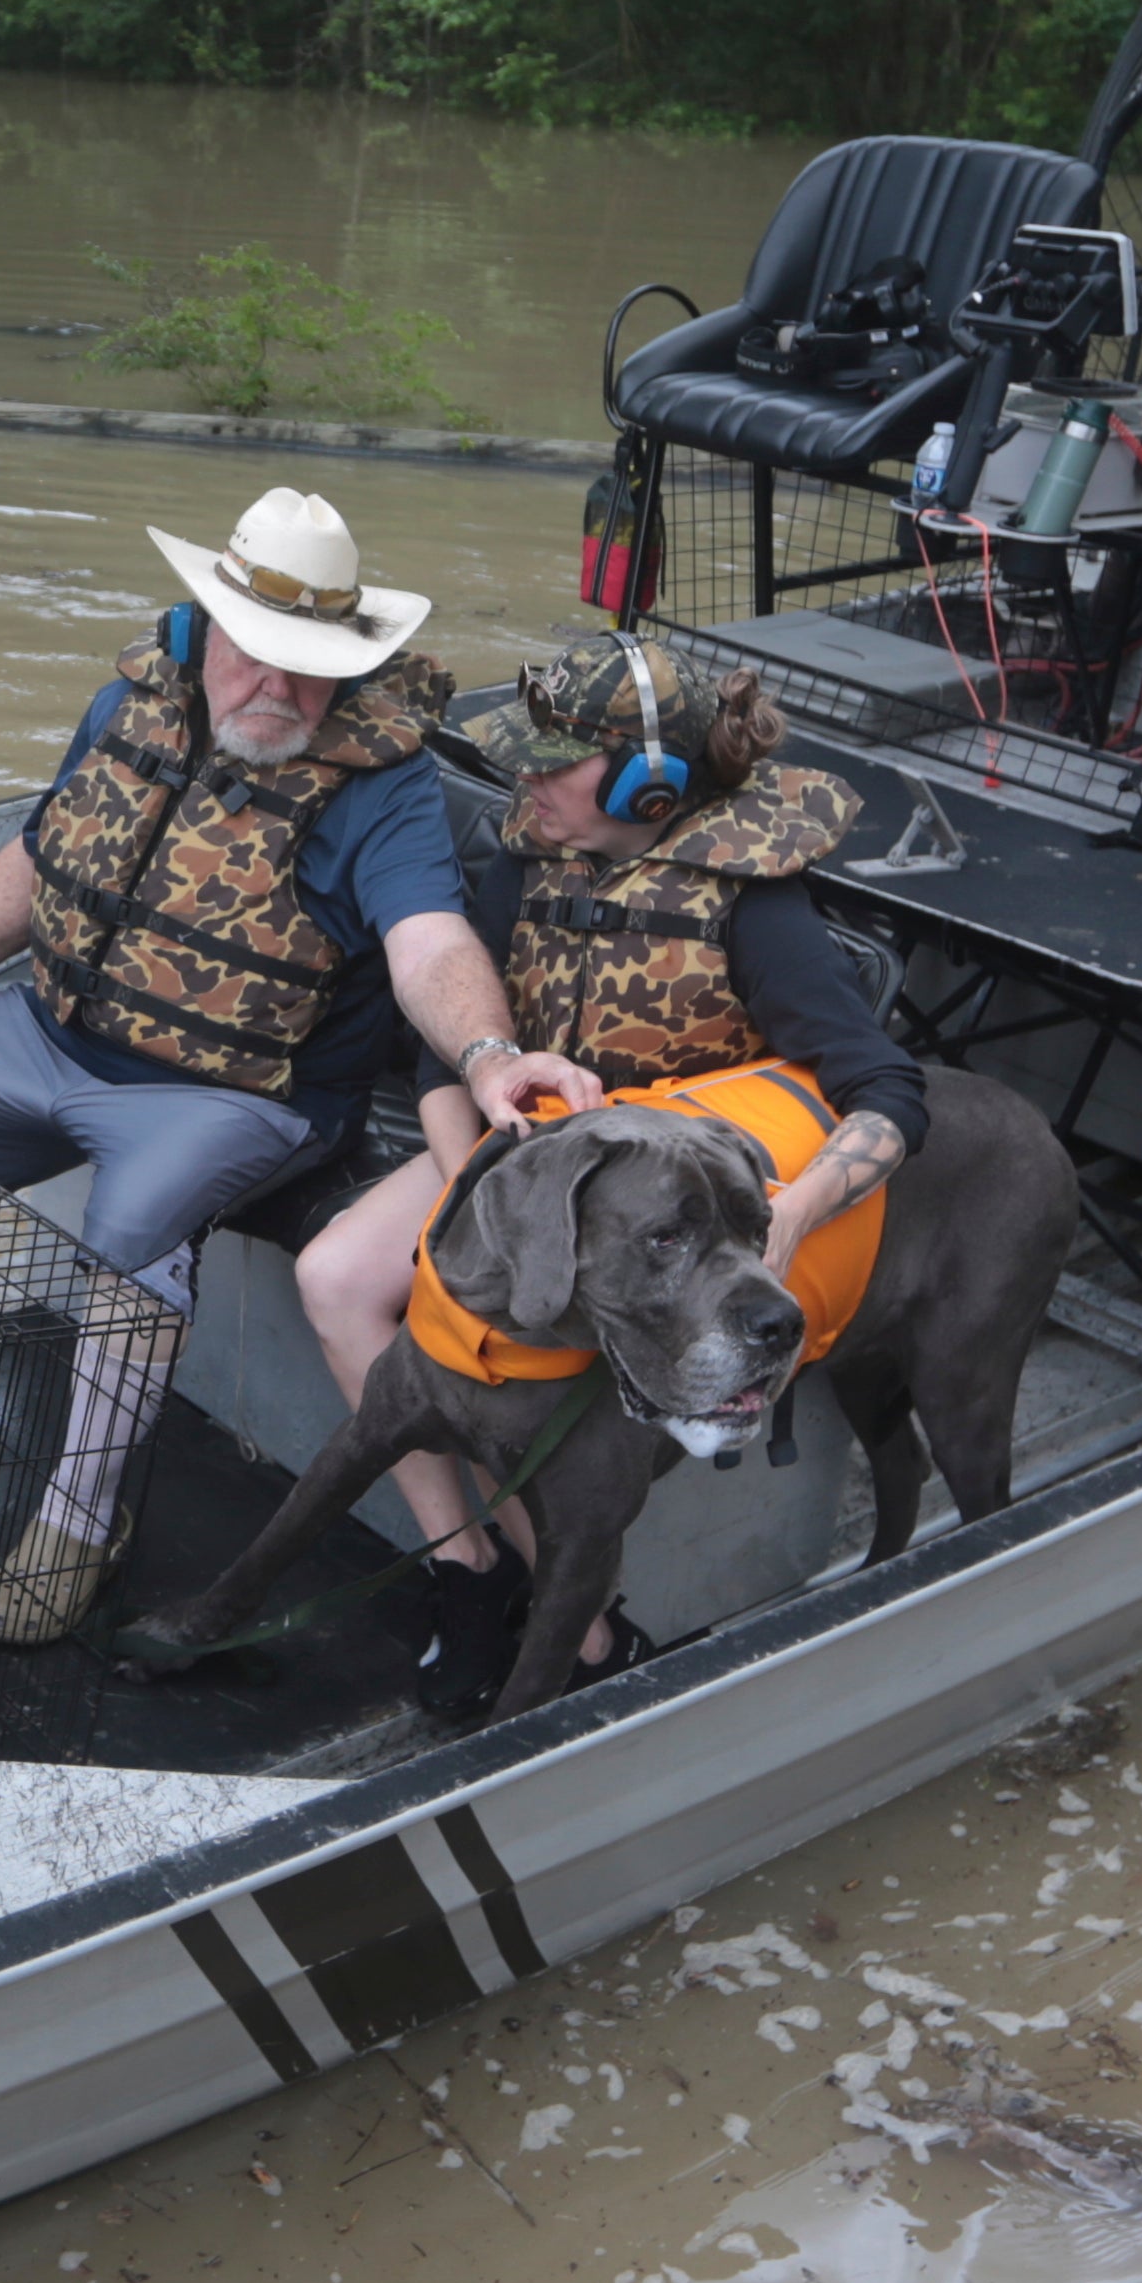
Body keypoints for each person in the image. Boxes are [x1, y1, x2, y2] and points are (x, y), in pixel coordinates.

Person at [0, 488, 596, 1645]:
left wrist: (486, 1056)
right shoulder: (130, 704)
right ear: (208, 625)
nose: (275, 687)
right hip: (49, 1033)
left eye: (308, 664)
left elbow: (429, 937)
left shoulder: (383, 789)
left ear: (350, 660)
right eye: (253, 654)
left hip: (234, 1092)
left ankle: (82, 1521)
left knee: (134, 1221)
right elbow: (46, 854)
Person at [300, 634, 927, 1710]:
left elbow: (888, 1092)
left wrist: (787, 1220)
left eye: (555, 763)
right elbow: (441, 1056)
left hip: (668, 1220)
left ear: (651, 783)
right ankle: (464, 1568)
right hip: (516, 1163)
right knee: (338, 1279)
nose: (526, 782)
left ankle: (585, 1627)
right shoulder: (530, 854)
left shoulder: (750, 896)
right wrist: (476, 1203)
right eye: (525, 760)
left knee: (520, 1363)